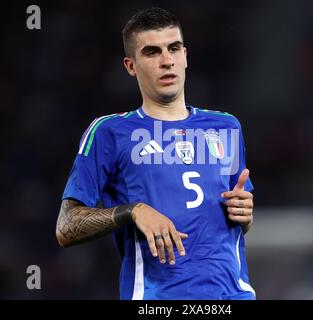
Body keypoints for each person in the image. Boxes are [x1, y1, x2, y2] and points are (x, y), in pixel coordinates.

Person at [56, 7, 256, 300]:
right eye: (152, 52)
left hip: (233, 296)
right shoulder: (110, 132)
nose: (166, 61)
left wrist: (245, 214)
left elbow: (239, 222)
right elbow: (66, 226)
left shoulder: (226, 126)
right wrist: (132, 211)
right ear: (130, 66)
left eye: (173, 48)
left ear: (185, 56)